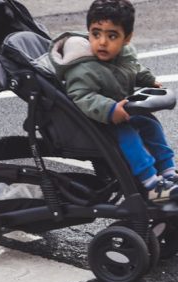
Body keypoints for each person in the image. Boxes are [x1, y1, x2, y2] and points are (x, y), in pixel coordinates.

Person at [48, 0, 178, 203]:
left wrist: (148, 80)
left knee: (150, 124)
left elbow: (133, 68)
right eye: (96, 33)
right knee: (128, 136)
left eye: (112, 36)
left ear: (127, 38)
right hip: (97, 122)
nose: (102, 42)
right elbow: (82, 96)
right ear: (88, 32)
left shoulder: (123, 55)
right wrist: (109, 109)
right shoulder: (82, 68)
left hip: (122, 112)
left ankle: (168, 170)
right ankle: (151, 183)